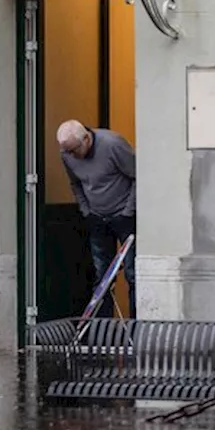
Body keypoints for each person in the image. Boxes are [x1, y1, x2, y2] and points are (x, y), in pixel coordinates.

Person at [57, 119, 137, 319]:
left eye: (74, 150)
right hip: (96, 217)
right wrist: (86, 211)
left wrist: (129, 211)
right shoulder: (67, 153)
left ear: (86, 138)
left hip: (124, 215)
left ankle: (136, 332)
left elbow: (138, 176)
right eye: (68, 152)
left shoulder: (113, 144)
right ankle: (103, 332)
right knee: (102, 279)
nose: (72, 156)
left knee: (132, 274)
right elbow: (75, 183)